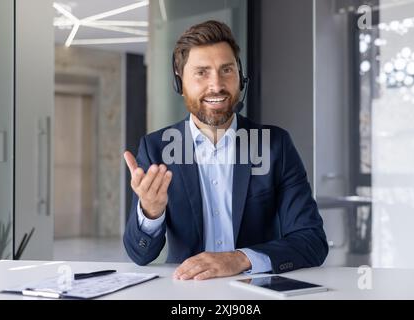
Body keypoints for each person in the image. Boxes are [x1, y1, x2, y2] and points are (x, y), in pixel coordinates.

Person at [123, 20, 328, 280]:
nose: (217, 85)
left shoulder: (275, 145)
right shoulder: (156, 149)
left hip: (258, 292)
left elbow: (312, 242)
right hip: (187, 292)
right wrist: (151, 212)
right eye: (201, 72)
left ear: (240, 77)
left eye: (226, 70)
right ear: (179, 83)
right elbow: (139, 254)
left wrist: (240, 259)